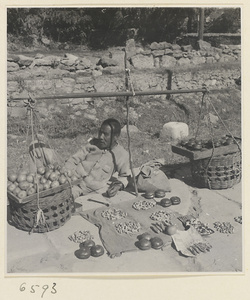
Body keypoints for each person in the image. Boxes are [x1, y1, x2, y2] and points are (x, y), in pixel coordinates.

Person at [64, 118, 131, 199]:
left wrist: (117, 186)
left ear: (115, 137)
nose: (101, 137)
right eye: (100, 132)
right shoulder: (93, 144)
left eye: (105, 134)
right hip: (73, 182)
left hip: (94, 191)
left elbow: (125, 176)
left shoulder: (122, 154)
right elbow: (73, 160)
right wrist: (65, 174)